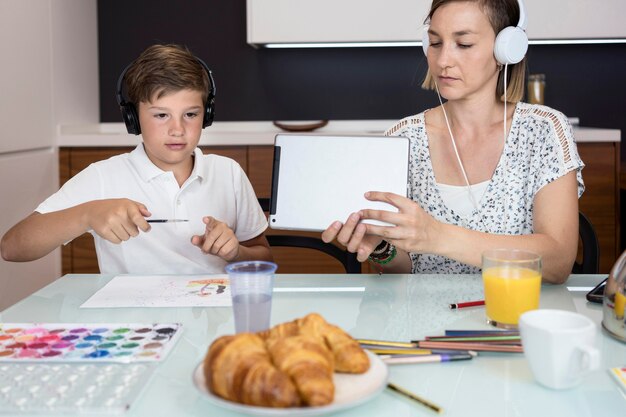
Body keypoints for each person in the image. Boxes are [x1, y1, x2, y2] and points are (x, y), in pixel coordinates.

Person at [321, 0, 583, 284]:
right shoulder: (403, 138)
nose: (443, 60)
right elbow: (405, 271)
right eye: (435, 43)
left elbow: (558, 261)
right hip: (425, 322)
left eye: (464, 44)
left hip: (512, 319)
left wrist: (437, 236)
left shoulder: (543, 130)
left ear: (505, 50)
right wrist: (381, 248)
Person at [1, 44, 272, 273]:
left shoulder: (228, 173)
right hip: (135, 324)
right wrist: (86, 214)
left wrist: (236, 252)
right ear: (133, 118)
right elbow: (12, 248)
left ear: (207, 115)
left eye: (190, 114)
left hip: (215, 319)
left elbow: (265, 258)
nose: (177, 129)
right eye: (161, 115)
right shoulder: (103, 176)